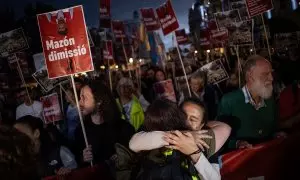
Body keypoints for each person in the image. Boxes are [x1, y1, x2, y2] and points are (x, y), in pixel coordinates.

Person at [129, 98, 231, 180]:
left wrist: (195, 153)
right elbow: (134, 143)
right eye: (183, 115)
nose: (186, 122)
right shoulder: (160, 131)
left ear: (201, 126)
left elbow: (214, 178)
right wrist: (181, 135)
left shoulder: (205, 141)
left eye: (193, 119)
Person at [218, 55, 283, 149]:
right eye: (265, 74)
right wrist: (237, 143)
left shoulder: (269, 99)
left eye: (271, 73)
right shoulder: (229, 101)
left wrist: (277, 134)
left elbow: (274, 128)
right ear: (250, 76)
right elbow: (220, 138)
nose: (271, 78)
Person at [75, 80, 135, 166]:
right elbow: (77, 164)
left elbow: (134, 158)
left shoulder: (123, 128)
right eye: (80, 98)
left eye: (84, 98)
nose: (79, 103)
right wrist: (83, 159)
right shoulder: (80, 131)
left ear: (99, 101)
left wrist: (123, 157)